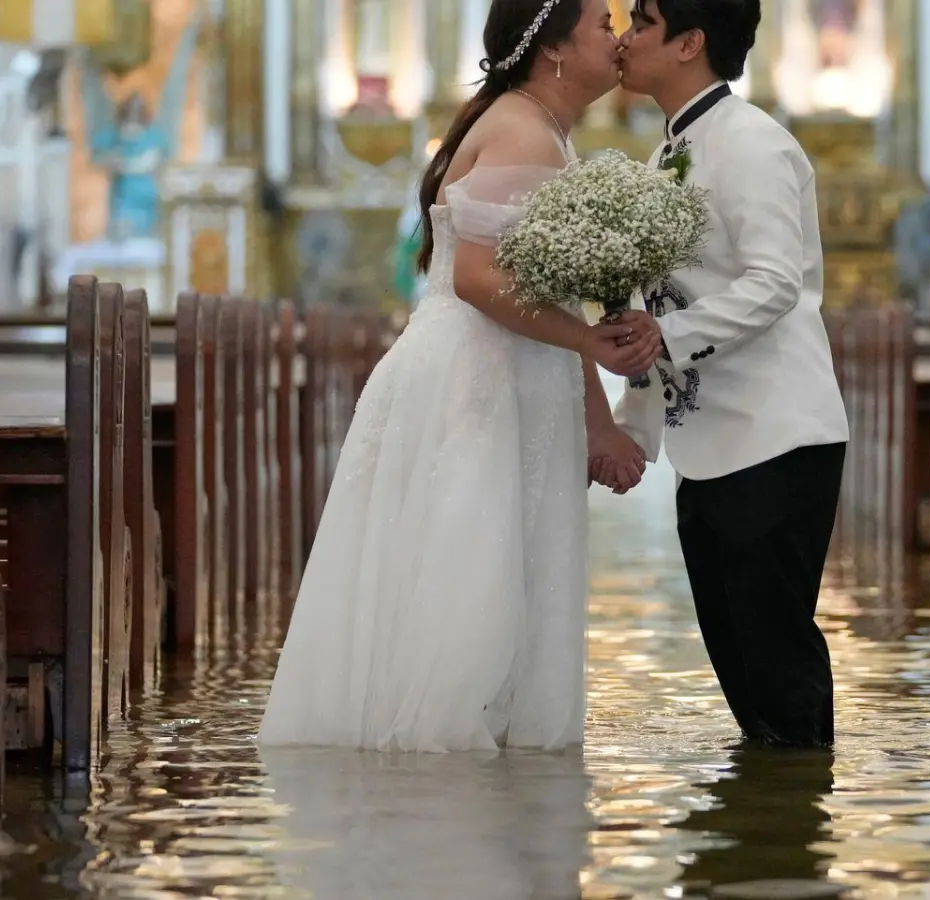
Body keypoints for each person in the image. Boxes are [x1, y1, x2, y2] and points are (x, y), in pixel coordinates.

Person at [256, 0, 658, 753]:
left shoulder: (540, 128)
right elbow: (476, 278)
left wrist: (597, 417)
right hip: (476, 376)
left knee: (493, 561)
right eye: (602, 25)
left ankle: (486, 752)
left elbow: (545, 290)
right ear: (554, 50)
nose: (615, 37)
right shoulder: (522, 130)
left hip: (505, 367)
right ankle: (446, 776)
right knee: (468, 566)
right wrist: (590, 344)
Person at [610, 0, 850, 748]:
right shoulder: (668, 154)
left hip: (775, 436)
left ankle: (798, 810)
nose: (624, 38)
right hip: (709, 446)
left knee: (781, 674)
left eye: (641, 23)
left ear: (690, 42)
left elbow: (776, 282)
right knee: (745, 682)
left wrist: (668, 336)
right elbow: (656, 303)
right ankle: (766, 807)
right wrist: (631, 433)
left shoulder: (752, 142)